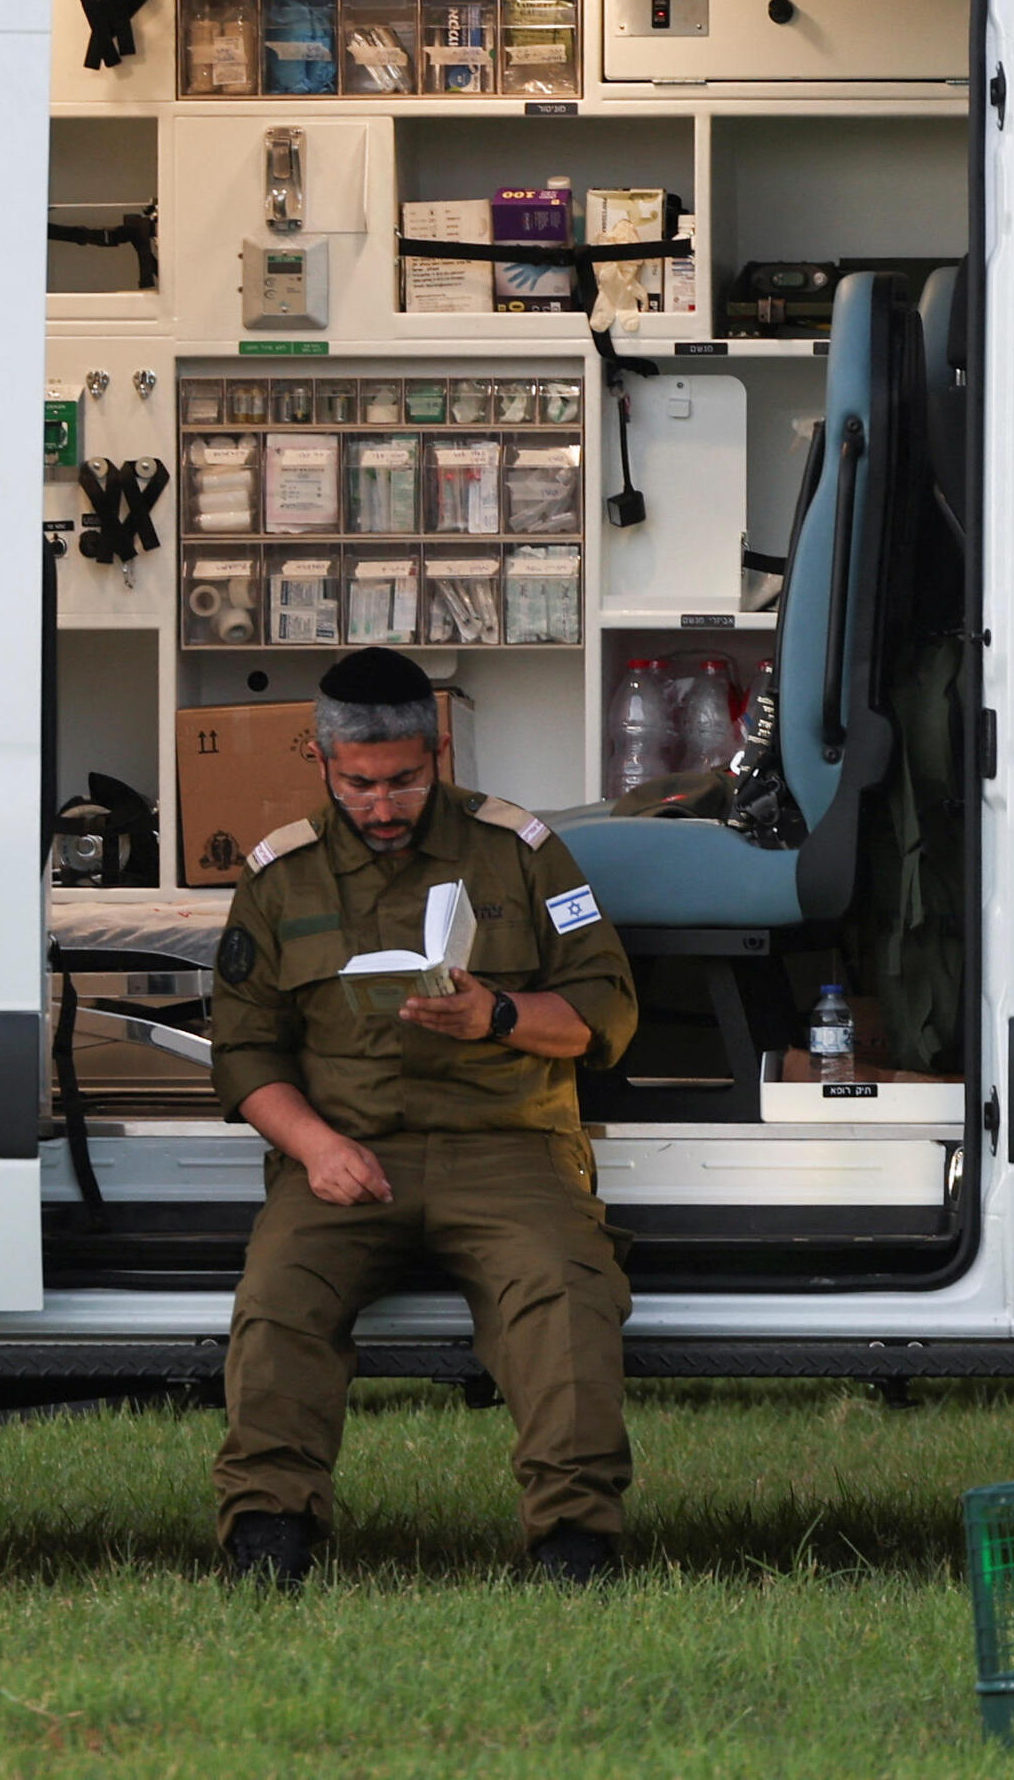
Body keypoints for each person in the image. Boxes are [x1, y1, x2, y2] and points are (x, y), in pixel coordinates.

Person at [209, 645, 639, 1588]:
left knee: (564, 1296)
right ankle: (268, 1536)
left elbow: (606, 1010)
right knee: (281, 1299)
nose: (382, 804)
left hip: (507, 1149)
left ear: (437, 750)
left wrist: (498, 1014)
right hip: (345, 1157)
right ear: (322, 763)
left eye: (404, 780)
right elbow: (244, 1054)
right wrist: (316, 1148)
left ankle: (574, 1543)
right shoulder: (282, 875)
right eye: (359, 784)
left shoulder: (517, 850)